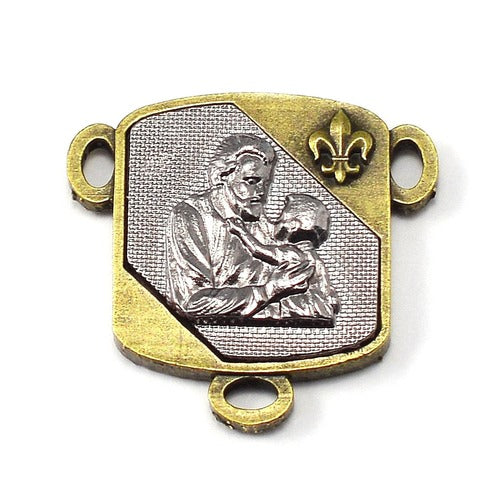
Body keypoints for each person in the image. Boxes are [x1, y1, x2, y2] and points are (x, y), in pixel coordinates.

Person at [166, 134, 315, 321]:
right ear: (222, 177)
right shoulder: (190, 216)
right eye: (251, 181)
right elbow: (191, 303)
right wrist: (269, 290)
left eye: (266, 183)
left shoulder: (257, 216)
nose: (261, 192)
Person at [226, 194, 338, 321]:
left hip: (298, 305)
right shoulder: (315, 258)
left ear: (293, 225)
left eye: (280, 218)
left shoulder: (293, 253)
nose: (275, 222)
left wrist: (241, 231)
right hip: (318, 305)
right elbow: (325, 288)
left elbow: (258, 250)